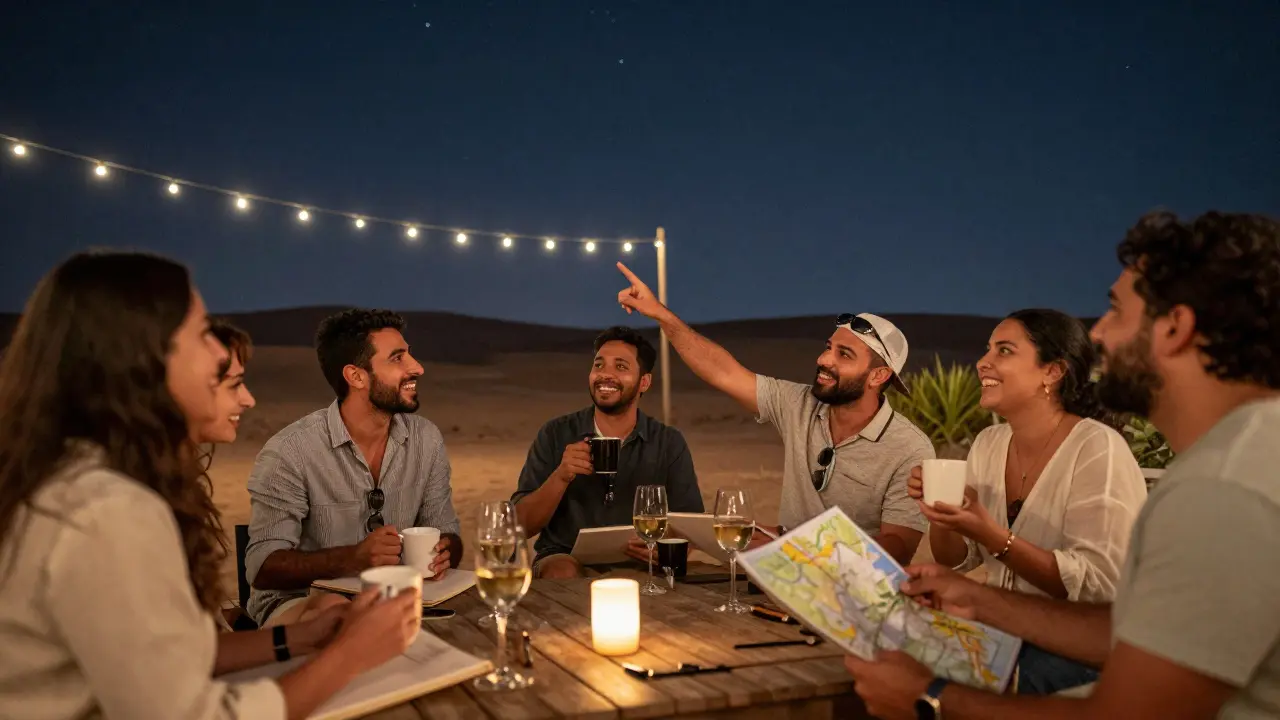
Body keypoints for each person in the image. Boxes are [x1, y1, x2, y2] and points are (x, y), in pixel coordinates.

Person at [844, 210, 1280, 719]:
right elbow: (1133, 628)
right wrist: (977, 599)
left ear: (1176, 327)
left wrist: (929, 700)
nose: (1099, 335)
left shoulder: (1223, 487)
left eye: (1116, 311)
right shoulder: (1240, 456)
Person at [0, 251, 419, 719]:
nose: (221, 353)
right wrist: (350, 656)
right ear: (142, 358)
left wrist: (298, 637)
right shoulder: (103, 510)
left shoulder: (75, 479)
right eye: (201, 334)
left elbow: (161, 657)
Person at [615, 263, 934, 565]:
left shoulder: (908, 448)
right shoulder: (800, 404)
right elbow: (723, 372)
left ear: (879, 376)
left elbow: (899, 548)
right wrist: (660, 314)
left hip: (850, 592)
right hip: (780, 573)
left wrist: (801, 550)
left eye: (843, 354)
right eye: (828, 347)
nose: (823, 359)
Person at [908, 308, 1147, 694]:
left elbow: (1097, 587)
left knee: (925, 683)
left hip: (1078, 653)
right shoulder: (989, 444)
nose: (983, 362)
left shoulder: (1096, 447)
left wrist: (994, 536)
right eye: (987, 349)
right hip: (1003, 633)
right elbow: (954, 559)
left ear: (1052, 371)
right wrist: (942, 513)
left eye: (1004, 351)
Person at [245, 308, 463, 628]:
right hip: (300, 603)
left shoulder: (426, 439)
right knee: (337, 615)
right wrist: (353, 559)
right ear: (356, 376)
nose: (417, 368)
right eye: (397, 358)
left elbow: (447, 533)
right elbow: (262, 567)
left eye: (410, 355)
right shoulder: (290, 451)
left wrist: (446, 551)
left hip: (396, 596)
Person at [512, 326, 704, 578]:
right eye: (599, 365)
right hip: (564, 556)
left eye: (621, 367)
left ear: (644, 382)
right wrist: (560, 476)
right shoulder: (555, 433)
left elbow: (692, 526)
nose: (605, 375)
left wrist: (665, 548)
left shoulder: (668, 442)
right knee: (562, 572)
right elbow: (519, 527)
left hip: (642, 563)